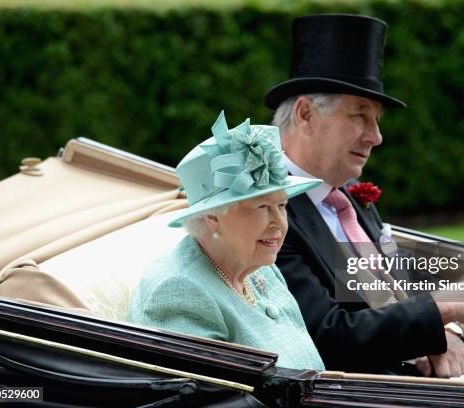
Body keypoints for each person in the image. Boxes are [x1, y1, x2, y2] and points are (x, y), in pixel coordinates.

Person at [264, 14, 464, 386]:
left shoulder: (347, 201)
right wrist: (441, 311)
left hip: (413, 372)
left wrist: (449, 332)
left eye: (376, 119)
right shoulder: (268, 211)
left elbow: (393, 290)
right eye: (360, 116)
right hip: (375, 389)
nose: (376, 136)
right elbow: (326, 334)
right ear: (305, 114)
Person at [129, 111, 325, 370]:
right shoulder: (181, 292)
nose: (279, 223)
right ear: (213, 218)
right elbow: (212, 396)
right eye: (262, 207)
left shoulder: (260, 266)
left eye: (282, 205)